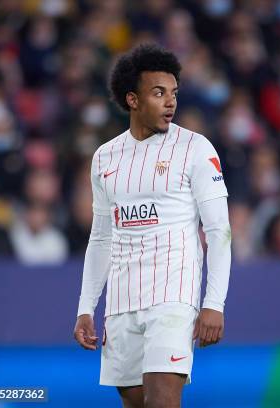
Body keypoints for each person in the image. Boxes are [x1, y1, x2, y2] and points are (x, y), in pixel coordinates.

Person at [73, 44, 231, 408]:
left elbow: (219, 231)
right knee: (135, 403)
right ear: (133, 99)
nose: (170, 102)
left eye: (174, 93)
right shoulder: (105, 158)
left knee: (162, 399)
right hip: (121, 301)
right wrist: (86, 306)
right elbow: (101, 237)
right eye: (158, 93)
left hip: (173, 298)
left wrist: (214, 303)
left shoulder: (195, 149)